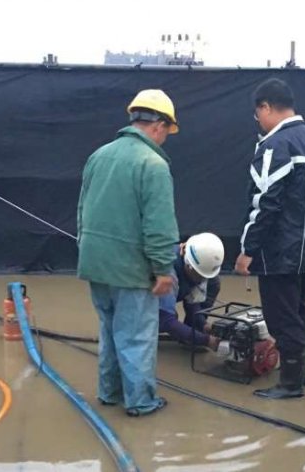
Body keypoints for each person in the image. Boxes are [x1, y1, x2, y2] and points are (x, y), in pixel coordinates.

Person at [77, 89, 180, 416]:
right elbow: (159, 225)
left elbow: (82, 210)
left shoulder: (99, 155)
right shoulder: (153, 164)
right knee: (136, 337)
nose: (165, 138)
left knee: (109, 330)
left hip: (95, 262)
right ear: (158, 125)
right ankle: (141, 402)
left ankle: (109, 393)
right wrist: (163, 268)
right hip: (131, 268)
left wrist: (86, 248)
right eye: (167, 131)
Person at [235, 78, 305, 399]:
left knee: (281, 315)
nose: (258, 122)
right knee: (300, 307)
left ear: (266, 107)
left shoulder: (275, 146)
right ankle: (303, 374)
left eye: (257, 114)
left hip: (283, 251)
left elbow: (265, 202)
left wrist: (248, 249)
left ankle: (290, 384)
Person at [159, 233, 224, 351]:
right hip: (134, 302)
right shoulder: (167, 273)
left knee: (213, 283)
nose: (203, 279)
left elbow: (193, 303)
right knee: (167, 318)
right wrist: (206, 341)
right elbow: (166, 321)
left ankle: (192, 333)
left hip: (179, 282)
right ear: (189, 265)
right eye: (200, 275)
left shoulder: (195, 266)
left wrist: (204, 325)